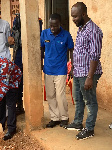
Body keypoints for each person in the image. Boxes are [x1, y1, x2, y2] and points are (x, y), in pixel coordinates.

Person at [64, 2, 103, 140]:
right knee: (78, 99)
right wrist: (73, 68)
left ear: (83, 14)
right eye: (72, 16)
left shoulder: (94, 31)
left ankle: (90, 128)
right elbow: (79, 51)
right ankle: (77, 123)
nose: (73, 19)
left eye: (75, 16)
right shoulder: (81, 28)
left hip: (88, 73)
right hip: (79, 72)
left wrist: (90, 77)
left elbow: (95, 55)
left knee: (90, 101)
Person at [40, 13, 74, 128]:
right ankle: (54, 118)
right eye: (51, 26)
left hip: (60, 69)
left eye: (55, 26)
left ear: (60, 24)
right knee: (50, 95)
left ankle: (64, 117)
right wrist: (41, 63)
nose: (53, 28)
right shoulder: (44, 33)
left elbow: (71, 50)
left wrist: (72, 66)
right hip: (48, 69)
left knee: (60, 95)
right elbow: (41, 49)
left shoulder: (66, 35)